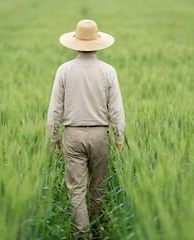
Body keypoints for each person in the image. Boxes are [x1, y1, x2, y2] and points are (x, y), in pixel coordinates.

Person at [47, 19, 125, 238]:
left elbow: (55, 109)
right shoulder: (109, 71)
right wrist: (119, 139)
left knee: (77, 189)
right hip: (101, 136)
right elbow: (116, 110)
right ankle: (98, 229)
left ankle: (82, 235)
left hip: (73, 135)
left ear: (76, 43)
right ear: (97, 43)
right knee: (98, 187)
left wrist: (54, 136)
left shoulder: (64, 70)